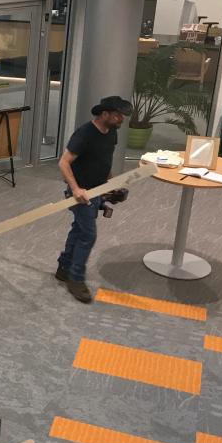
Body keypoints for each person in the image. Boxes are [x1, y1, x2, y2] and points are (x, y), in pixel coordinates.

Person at [56, 95, 133, 303]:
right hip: (82, 194)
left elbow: (103, 161)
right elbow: (64, 163)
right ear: (104, 113)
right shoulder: (85, 134)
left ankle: (64, 267)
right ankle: (76, 279)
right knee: (88, 235)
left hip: (98, 190)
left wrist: (111, 184)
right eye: (117, 115)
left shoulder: (111, 133)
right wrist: (76, 189)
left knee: (79, 230)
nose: (121, 120)